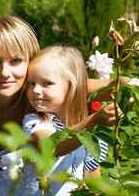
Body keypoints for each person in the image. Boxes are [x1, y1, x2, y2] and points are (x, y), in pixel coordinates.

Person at [0, 15, 139, 196]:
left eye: (16, 61)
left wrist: (132, 85)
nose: (5, 73)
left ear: (30, 62)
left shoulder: (36, 92)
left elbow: (111, 87)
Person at [22, 46, 112, 195]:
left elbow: (92, 178)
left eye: (46, 83)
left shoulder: (89, 130)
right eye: (31, 83)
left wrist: (132, 82)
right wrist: (94, 121)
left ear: (72, 86)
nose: (36, 90)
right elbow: (55, 146)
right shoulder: (35, 122)